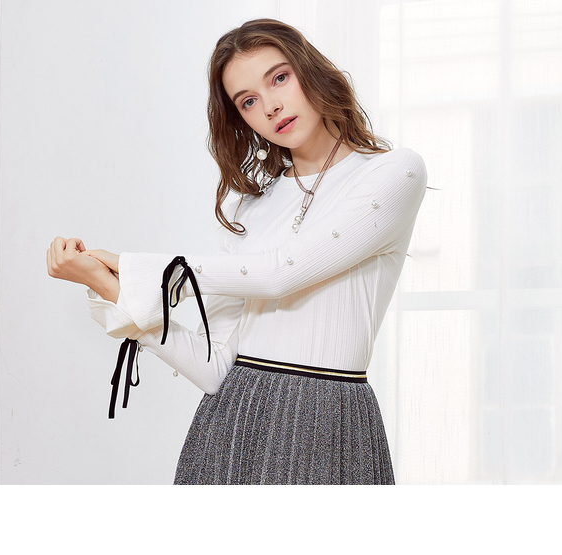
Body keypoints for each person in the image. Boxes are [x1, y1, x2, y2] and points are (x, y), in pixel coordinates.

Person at [46, 18, 426, 485]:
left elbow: (279, 274)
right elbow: (212, 369)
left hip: (330, 422)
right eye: (247, 101)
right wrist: (110, 288)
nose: (270, 106)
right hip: (229, 427)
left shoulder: (394, 173)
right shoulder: (249, 208)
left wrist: (137, 269)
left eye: (279, 78)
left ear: (311, 70)